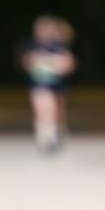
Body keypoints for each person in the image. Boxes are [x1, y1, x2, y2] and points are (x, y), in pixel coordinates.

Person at [20, 15, 76, 153]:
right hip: (39, 83)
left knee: (56, 110)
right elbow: (25, 62)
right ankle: (45, 137)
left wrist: (60, 65)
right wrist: (33, 62)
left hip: (57, 85)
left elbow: (69, 63)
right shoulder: (31, 45)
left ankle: (58, 130)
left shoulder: (59, 46)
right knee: (42, 108)